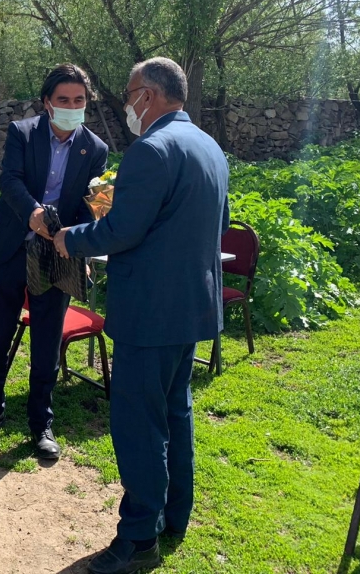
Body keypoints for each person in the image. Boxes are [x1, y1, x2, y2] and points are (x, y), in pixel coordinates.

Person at [53, 58, 230, 574]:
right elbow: (217, 222)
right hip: (191, 307)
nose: (126, 105)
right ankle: (174, 516)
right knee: (175, 413)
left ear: (148, 95)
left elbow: (121, 232)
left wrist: (69, 238)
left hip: (150, 313)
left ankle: (138, 538)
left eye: (129, 94)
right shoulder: (209, 146)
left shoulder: (151, 150)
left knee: (139, 427)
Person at [0, 64, 108, 460]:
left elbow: (92, 205)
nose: (71, 107)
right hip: (9, 248)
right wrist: (32, 213)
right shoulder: (22, 132)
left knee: (47, 341)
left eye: (78, 100)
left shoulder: (95, 149)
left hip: (57, 256)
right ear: (47, 102)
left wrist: (80, 244)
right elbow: (9, 180)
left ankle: (41, 422)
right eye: (63, 100)